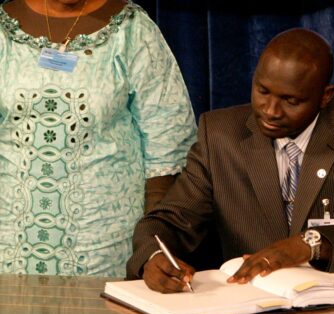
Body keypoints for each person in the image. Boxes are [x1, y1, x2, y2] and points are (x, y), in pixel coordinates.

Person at [126, 28, 334, 292]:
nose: (271, 110)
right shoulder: (219, 135)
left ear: (325, 96)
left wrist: (315, 244)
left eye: (291, 100)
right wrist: (153, 256)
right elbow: (167, 222)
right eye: (262, 91)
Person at [0, 0, 197, 276]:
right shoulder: (4, 29)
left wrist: (152, 246)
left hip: (105, 253)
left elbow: (168, 146)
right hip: (9, 249)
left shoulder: (131, 31)